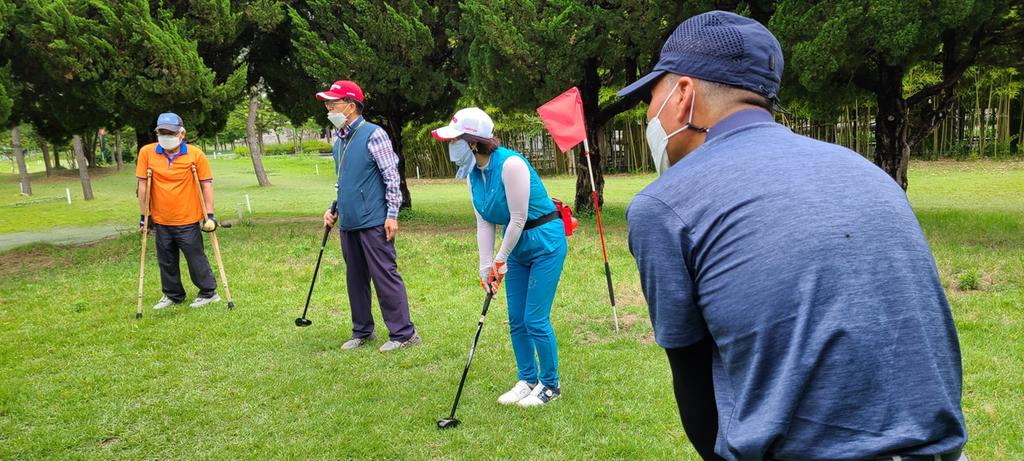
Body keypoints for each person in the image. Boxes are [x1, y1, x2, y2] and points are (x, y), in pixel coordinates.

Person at [617, 11, 967, 461]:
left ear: (682, 93)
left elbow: (696, 390)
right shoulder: (864, 170)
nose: (649, 114)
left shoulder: (664, 206)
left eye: (652, 95)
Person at [432, 107, 567, 407]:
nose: (450, 148)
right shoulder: (472, 175)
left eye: (454, 141)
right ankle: (527, 379)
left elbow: (518, 218)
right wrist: (485, 266)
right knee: (516, 318)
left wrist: (500, 259)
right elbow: (484, 221)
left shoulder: (511, 165)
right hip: (517, 246)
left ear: (472, 142)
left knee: (535, 318)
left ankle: (550, 384)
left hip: (545, 241)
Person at [316, 80, 420, 353]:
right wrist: (334, 208)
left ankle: (404, 334)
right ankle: (362, 331)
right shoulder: (339, 141)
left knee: (384, 275)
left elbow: (391, 177)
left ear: (351, 106)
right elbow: (345, 181)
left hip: (374, 221)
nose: (329, 108)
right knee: (356, 278)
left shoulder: (374, 134)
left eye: (333, 103)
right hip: (349, 222)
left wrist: (392, 214)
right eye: (327, 103)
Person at [136, 112, 220, 310]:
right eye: (162, 132)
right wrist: (144, 217)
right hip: (160, 218)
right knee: (166, 260)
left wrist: (209, 215)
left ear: (181, 133)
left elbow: (206, 185)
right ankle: (173, 295)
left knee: (195, 258)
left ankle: (209, 292)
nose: (166, 135)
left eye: (170, 132)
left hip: (188, 217)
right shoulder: (147, 152)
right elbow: (143, 186)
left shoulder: (195, 154)